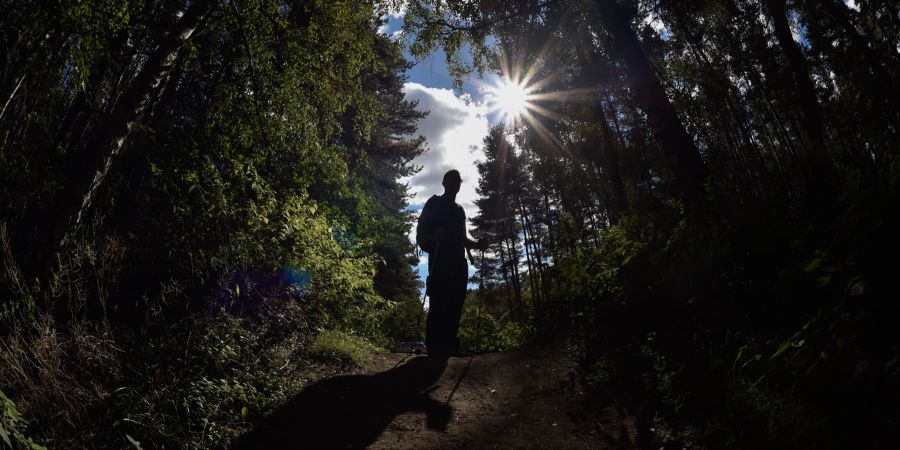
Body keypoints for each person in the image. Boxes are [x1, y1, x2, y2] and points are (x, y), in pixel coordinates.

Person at [416, 169, 485, 356]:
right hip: (440, 261)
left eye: (458, 182)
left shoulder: (459, 210)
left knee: (456, 303)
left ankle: (449, 345)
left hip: (458, 263)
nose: (456, 184)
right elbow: (421, 231)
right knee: (439, 302)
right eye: (452, 181)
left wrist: (478, 244)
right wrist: (433, 235)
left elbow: (463, 238)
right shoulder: (434, 203)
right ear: (445, 183)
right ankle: (435, 346)